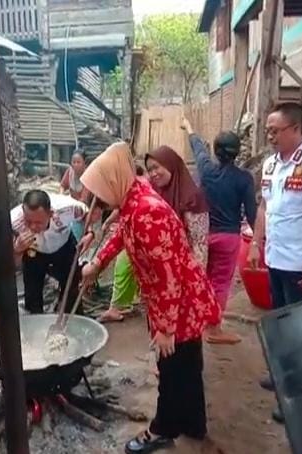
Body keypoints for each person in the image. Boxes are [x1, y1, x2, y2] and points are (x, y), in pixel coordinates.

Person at [80, 142, 221, 454]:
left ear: (115, 180)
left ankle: (163, 428)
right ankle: (193, 425)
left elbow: (169, 272)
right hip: (172, 297)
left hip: (177, 301)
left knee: (172, 367)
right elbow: (121, 233)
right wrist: (97, 263)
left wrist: (167, 327)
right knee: (186, 366)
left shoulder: (147, 212)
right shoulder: (133, 200)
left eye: (101, 190)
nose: (99, 198)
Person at [247, 102, 302, 423]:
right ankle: (286, 376)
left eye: (275, 131)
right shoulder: (271, 165)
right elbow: (262, 208)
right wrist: (256, 244)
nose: (270, 136)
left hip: (301, 262)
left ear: (297, 129)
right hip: (276, 258)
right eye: (268, 131)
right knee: (282, 321)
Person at [183, 117, 257, 345]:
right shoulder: (245, 178)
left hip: (203, 236)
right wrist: (259, 242)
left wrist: (189, 126)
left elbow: (197, 148)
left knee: (201, 280)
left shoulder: (206, 171)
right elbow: (253, 213)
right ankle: (214, 328)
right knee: (220, 283)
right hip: (229, 238)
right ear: (237, 153)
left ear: (216, 151)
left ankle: (195, 323)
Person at [11, 190, 93, 314]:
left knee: (70, 287)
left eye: (38, 222)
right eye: (28, 222)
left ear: (51, 213)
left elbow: (87, 213)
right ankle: (35, 324)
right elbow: (7, 262)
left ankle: (73, 320)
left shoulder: (67, 209)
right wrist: (17, 249)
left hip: (64, 246)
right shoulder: (13, 221)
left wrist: (90, 233)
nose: (33, 227)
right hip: (34, 251)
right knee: (32, 292)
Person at [98, 165, 148, 323]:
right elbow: (121, 212)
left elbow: (125, 218)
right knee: (129, 268)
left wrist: (98, 262)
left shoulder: (140, 191)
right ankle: (126, 303)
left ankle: (117, 306)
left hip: (140, 237)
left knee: (123, 266)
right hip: (135, 236)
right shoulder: (133, 191)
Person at [145, 146, 210, 268]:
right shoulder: (154, 195)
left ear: (170, 165)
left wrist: (196, 278)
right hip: (159, 269)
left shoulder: (191, 198)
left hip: (184, 268)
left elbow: (199, 244)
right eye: (149, 170)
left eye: (156, 167)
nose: (153, 174)